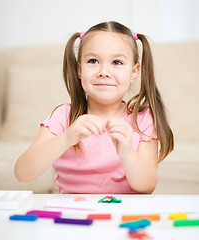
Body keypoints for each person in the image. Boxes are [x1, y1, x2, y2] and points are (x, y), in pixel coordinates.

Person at [14, 21, 174, 194]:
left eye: (117, 62)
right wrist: (67, 137)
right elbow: (22, 173)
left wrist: (127, 152)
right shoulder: (63, 117)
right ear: (79, 70)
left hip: (122, 214)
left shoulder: (142, 119)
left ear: (134, 72)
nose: (104, 71)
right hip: (73, 213)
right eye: (93, 61)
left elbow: (147, 187)